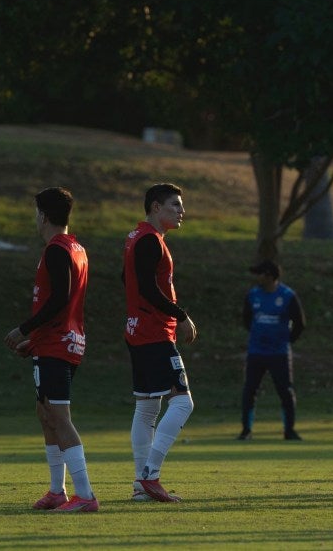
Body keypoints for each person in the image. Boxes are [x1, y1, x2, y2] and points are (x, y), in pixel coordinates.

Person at [4, 187, 99, 512]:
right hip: (56, 342)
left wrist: (25, 329)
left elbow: (59, 299)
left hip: (59, 344)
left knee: (58, 416)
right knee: (46, 414)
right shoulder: (74, 248)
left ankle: (85, 495)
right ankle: (57, 491)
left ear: (44, 216)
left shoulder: (58, 249)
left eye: (36, 213)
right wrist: (36, 340)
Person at [123, 183, 197, 503]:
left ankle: (142, 488)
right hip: (154, 333)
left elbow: (126, 279)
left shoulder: (138, 238)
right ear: (155, 207)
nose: (182, 211)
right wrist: (180, 315)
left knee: (147, 408)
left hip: (138, 331)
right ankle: (150, 475)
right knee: (183, 402)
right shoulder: (150, 240)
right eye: (175, 205)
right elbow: (149, 289)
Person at [237, 259, 306, 441]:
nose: (257, 277)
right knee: (249, 390)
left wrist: (286, 340)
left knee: (285, 391)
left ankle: (289, 431)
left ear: (269, 275)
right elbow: (246, 319)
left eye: (259, 273)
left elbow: (300, 323)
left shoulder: (287, 295)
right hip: (256, 352)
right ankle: (246, 430)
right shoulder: (253, 295)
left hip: (279, 353)